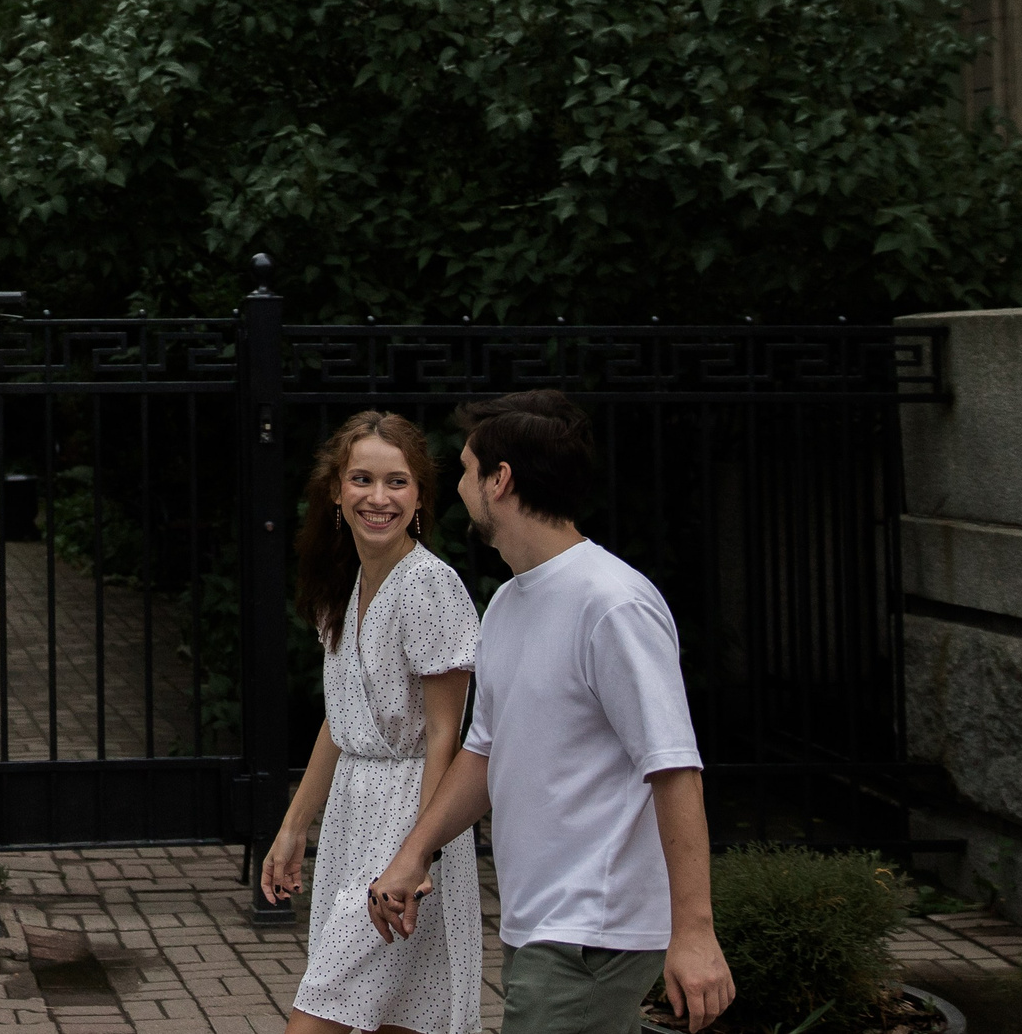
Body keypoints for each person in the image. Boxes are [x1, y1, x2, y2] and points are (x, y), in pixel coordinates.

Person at [366, 390, 735, 1034]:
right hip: (540, 922)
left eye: (465, 469)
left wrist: (695, 934)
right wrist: (414, 853)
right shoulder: (508, 602)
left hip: (593, 930)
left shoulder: (613, 604)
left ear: (499, 481)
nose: (456, 486)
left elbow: (675, 769)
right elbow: (484, 751)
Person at [261, 411, 484, 1034]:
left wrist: (416, 854)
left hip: (411, 817)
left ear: (420, 498)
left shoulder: (430, 586)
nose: (378, 498)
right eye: (361, 479)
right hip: (350, 820)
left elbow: (447, 734)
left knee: (321, 1013)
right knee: (396, 1018)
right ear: (336, 490)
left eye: (398, 483)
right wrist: (292, 826)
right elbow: (342, 721)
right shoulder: (344, 585)